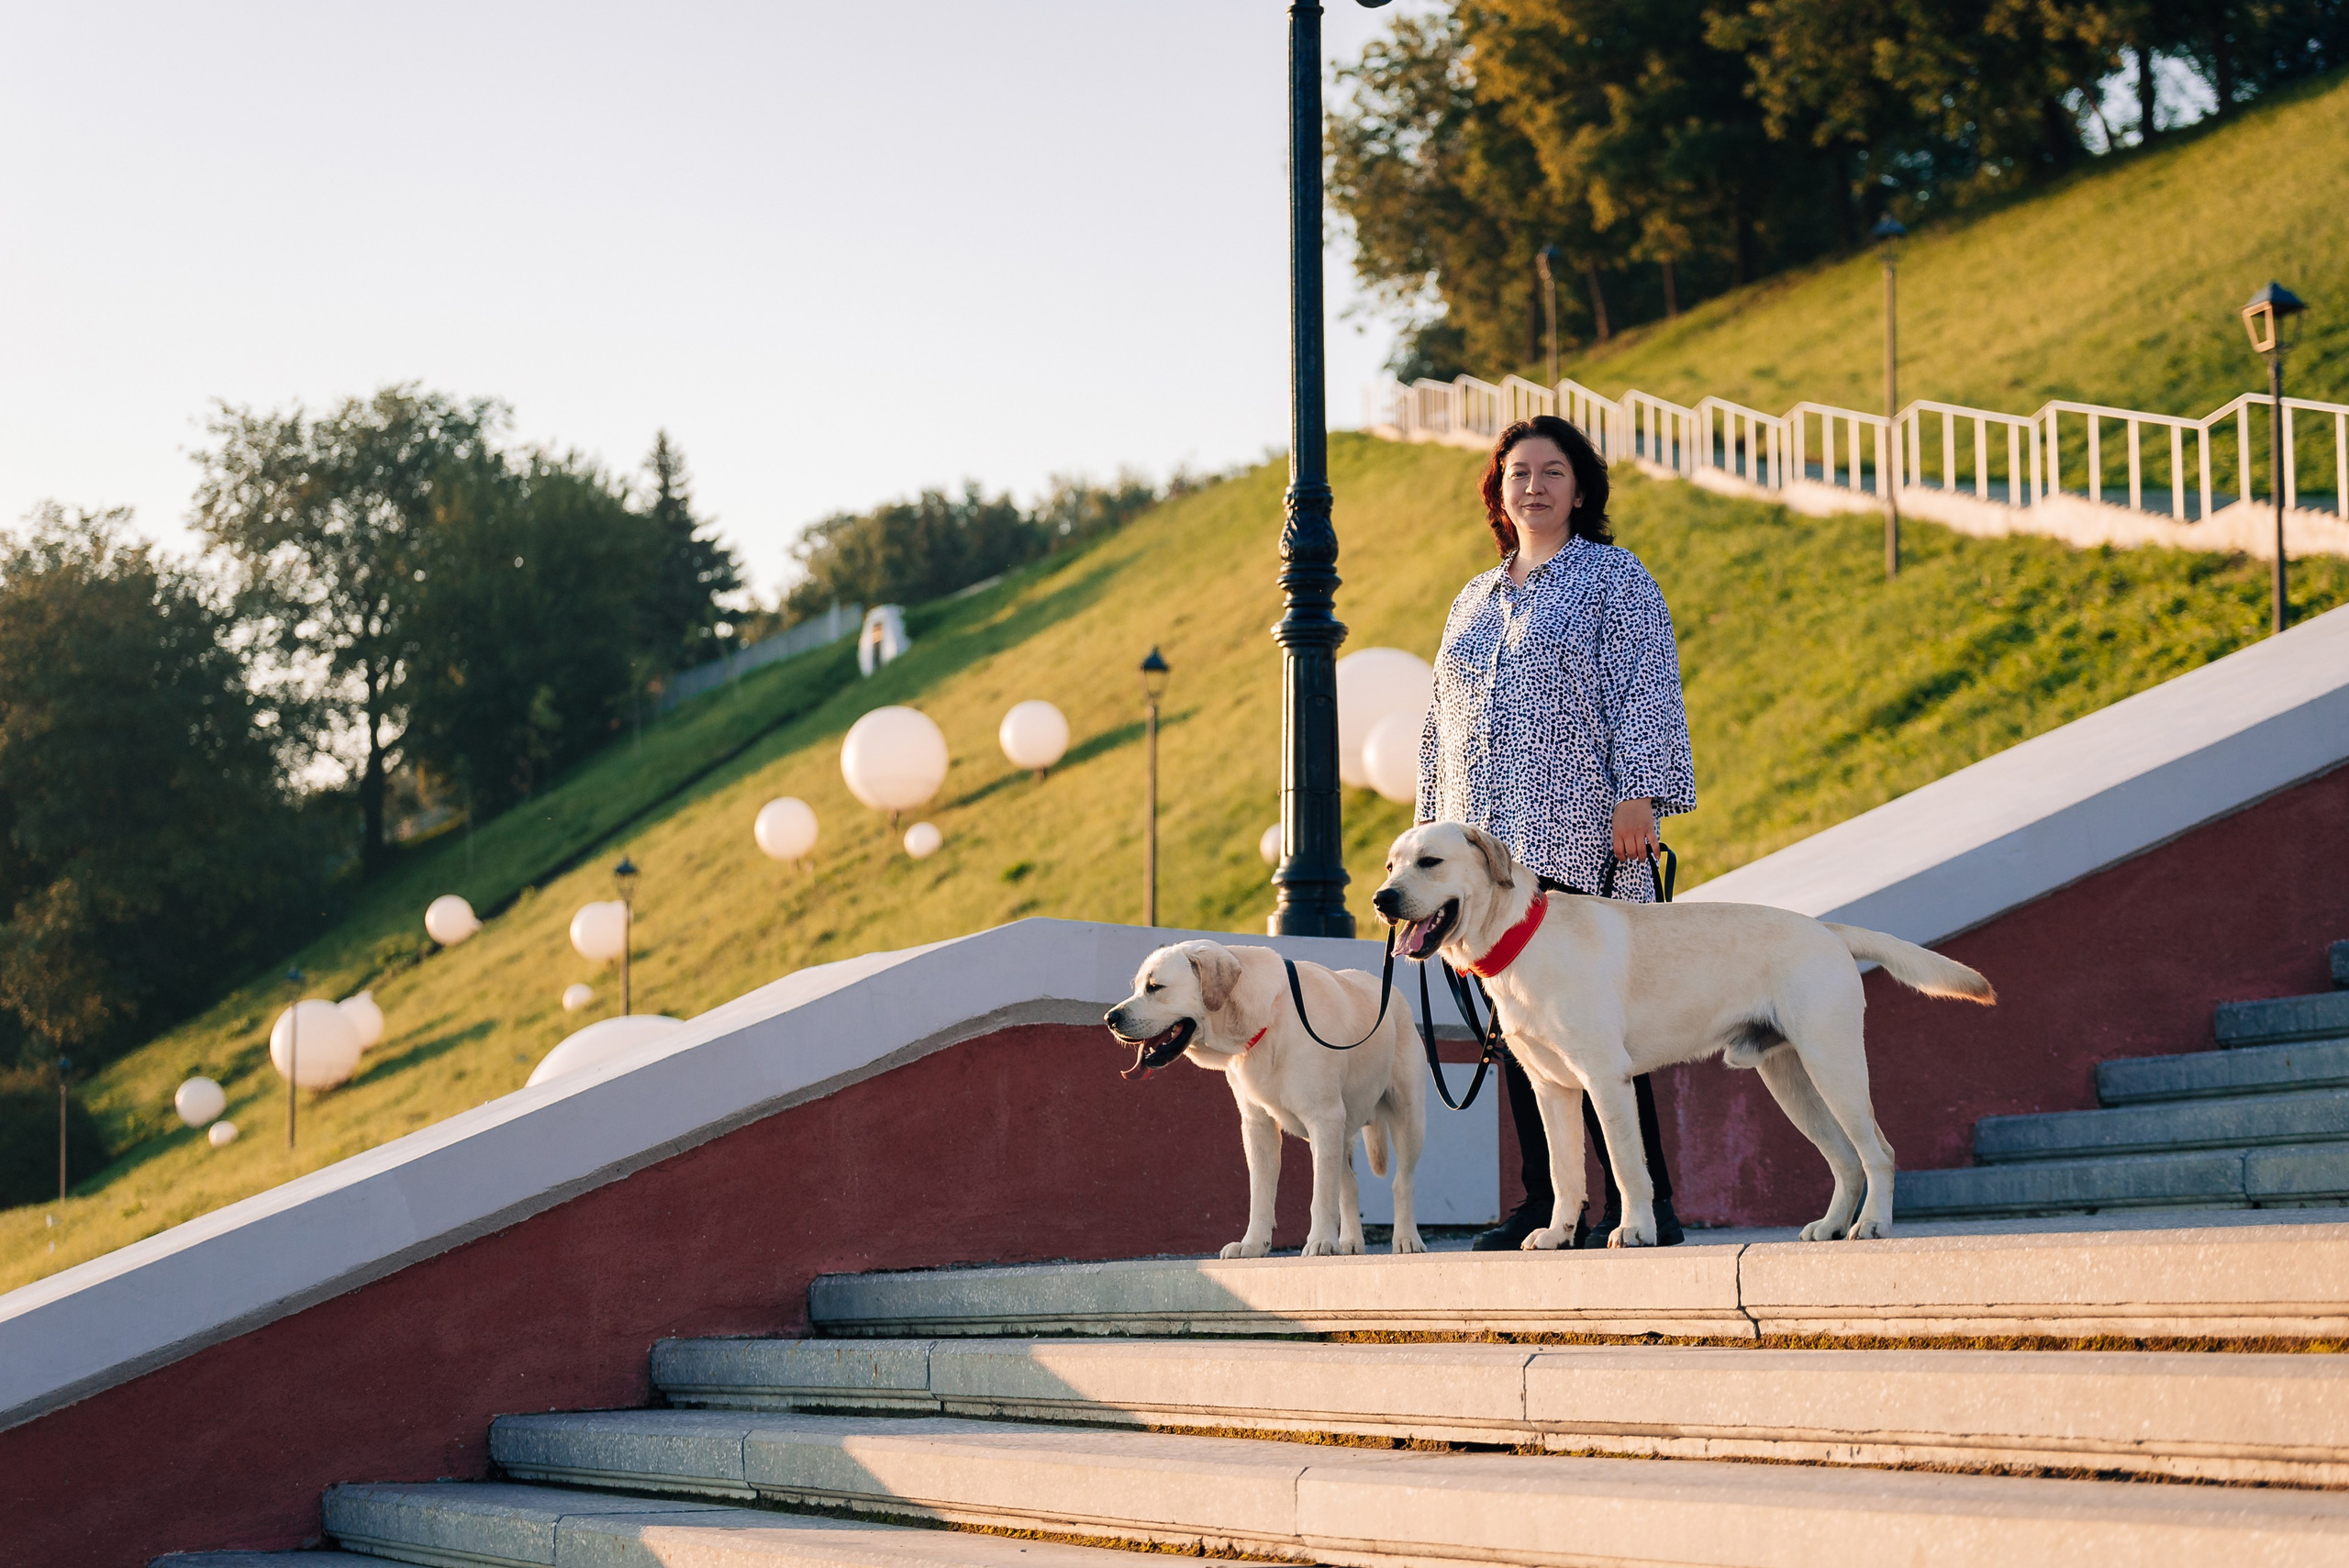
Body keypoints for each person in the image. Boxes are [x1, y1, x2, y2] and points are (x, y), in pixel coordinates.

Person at [1413, 413, 1697, 1250]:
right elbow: (1439, 723)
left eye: (1553, 472)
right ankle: (1548, 1206)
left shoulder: (1615, 577)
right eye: (1519, 473)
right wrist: (1429, 839)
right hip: (1485, 860)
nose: (1534, 485)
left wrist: (1640, 795)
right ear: (1498, 490)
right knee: (1520, 1031)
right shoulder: (1473, 596)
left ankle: (1645, 1204)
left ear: (1581, 488)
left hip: (1581, 838)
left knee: (1597, 1028)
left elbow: (1647, 684)